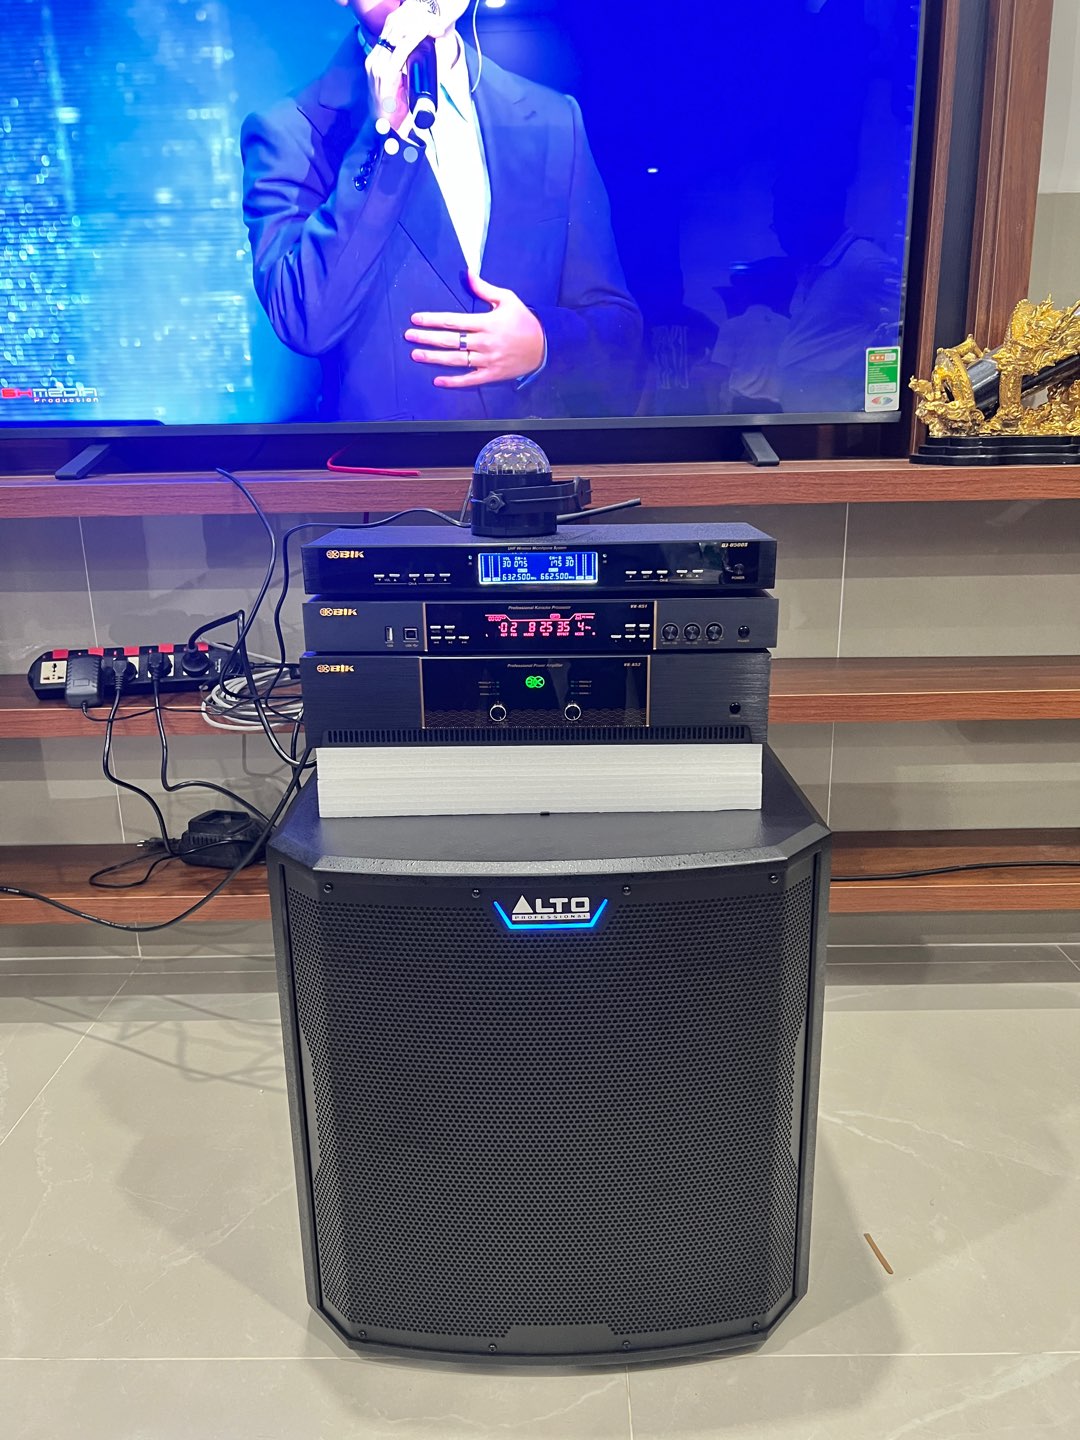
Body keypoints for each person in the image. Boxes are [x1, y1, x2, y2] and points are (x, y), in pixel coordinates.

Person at [240, 0, 643, 422]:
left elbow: (619, 332)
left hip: (534, 457)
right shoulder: (291, 131)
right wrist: (384, 141)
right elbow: (304, 319)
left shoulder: (553, 119)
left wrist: (543, 344)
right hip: (397, 460)